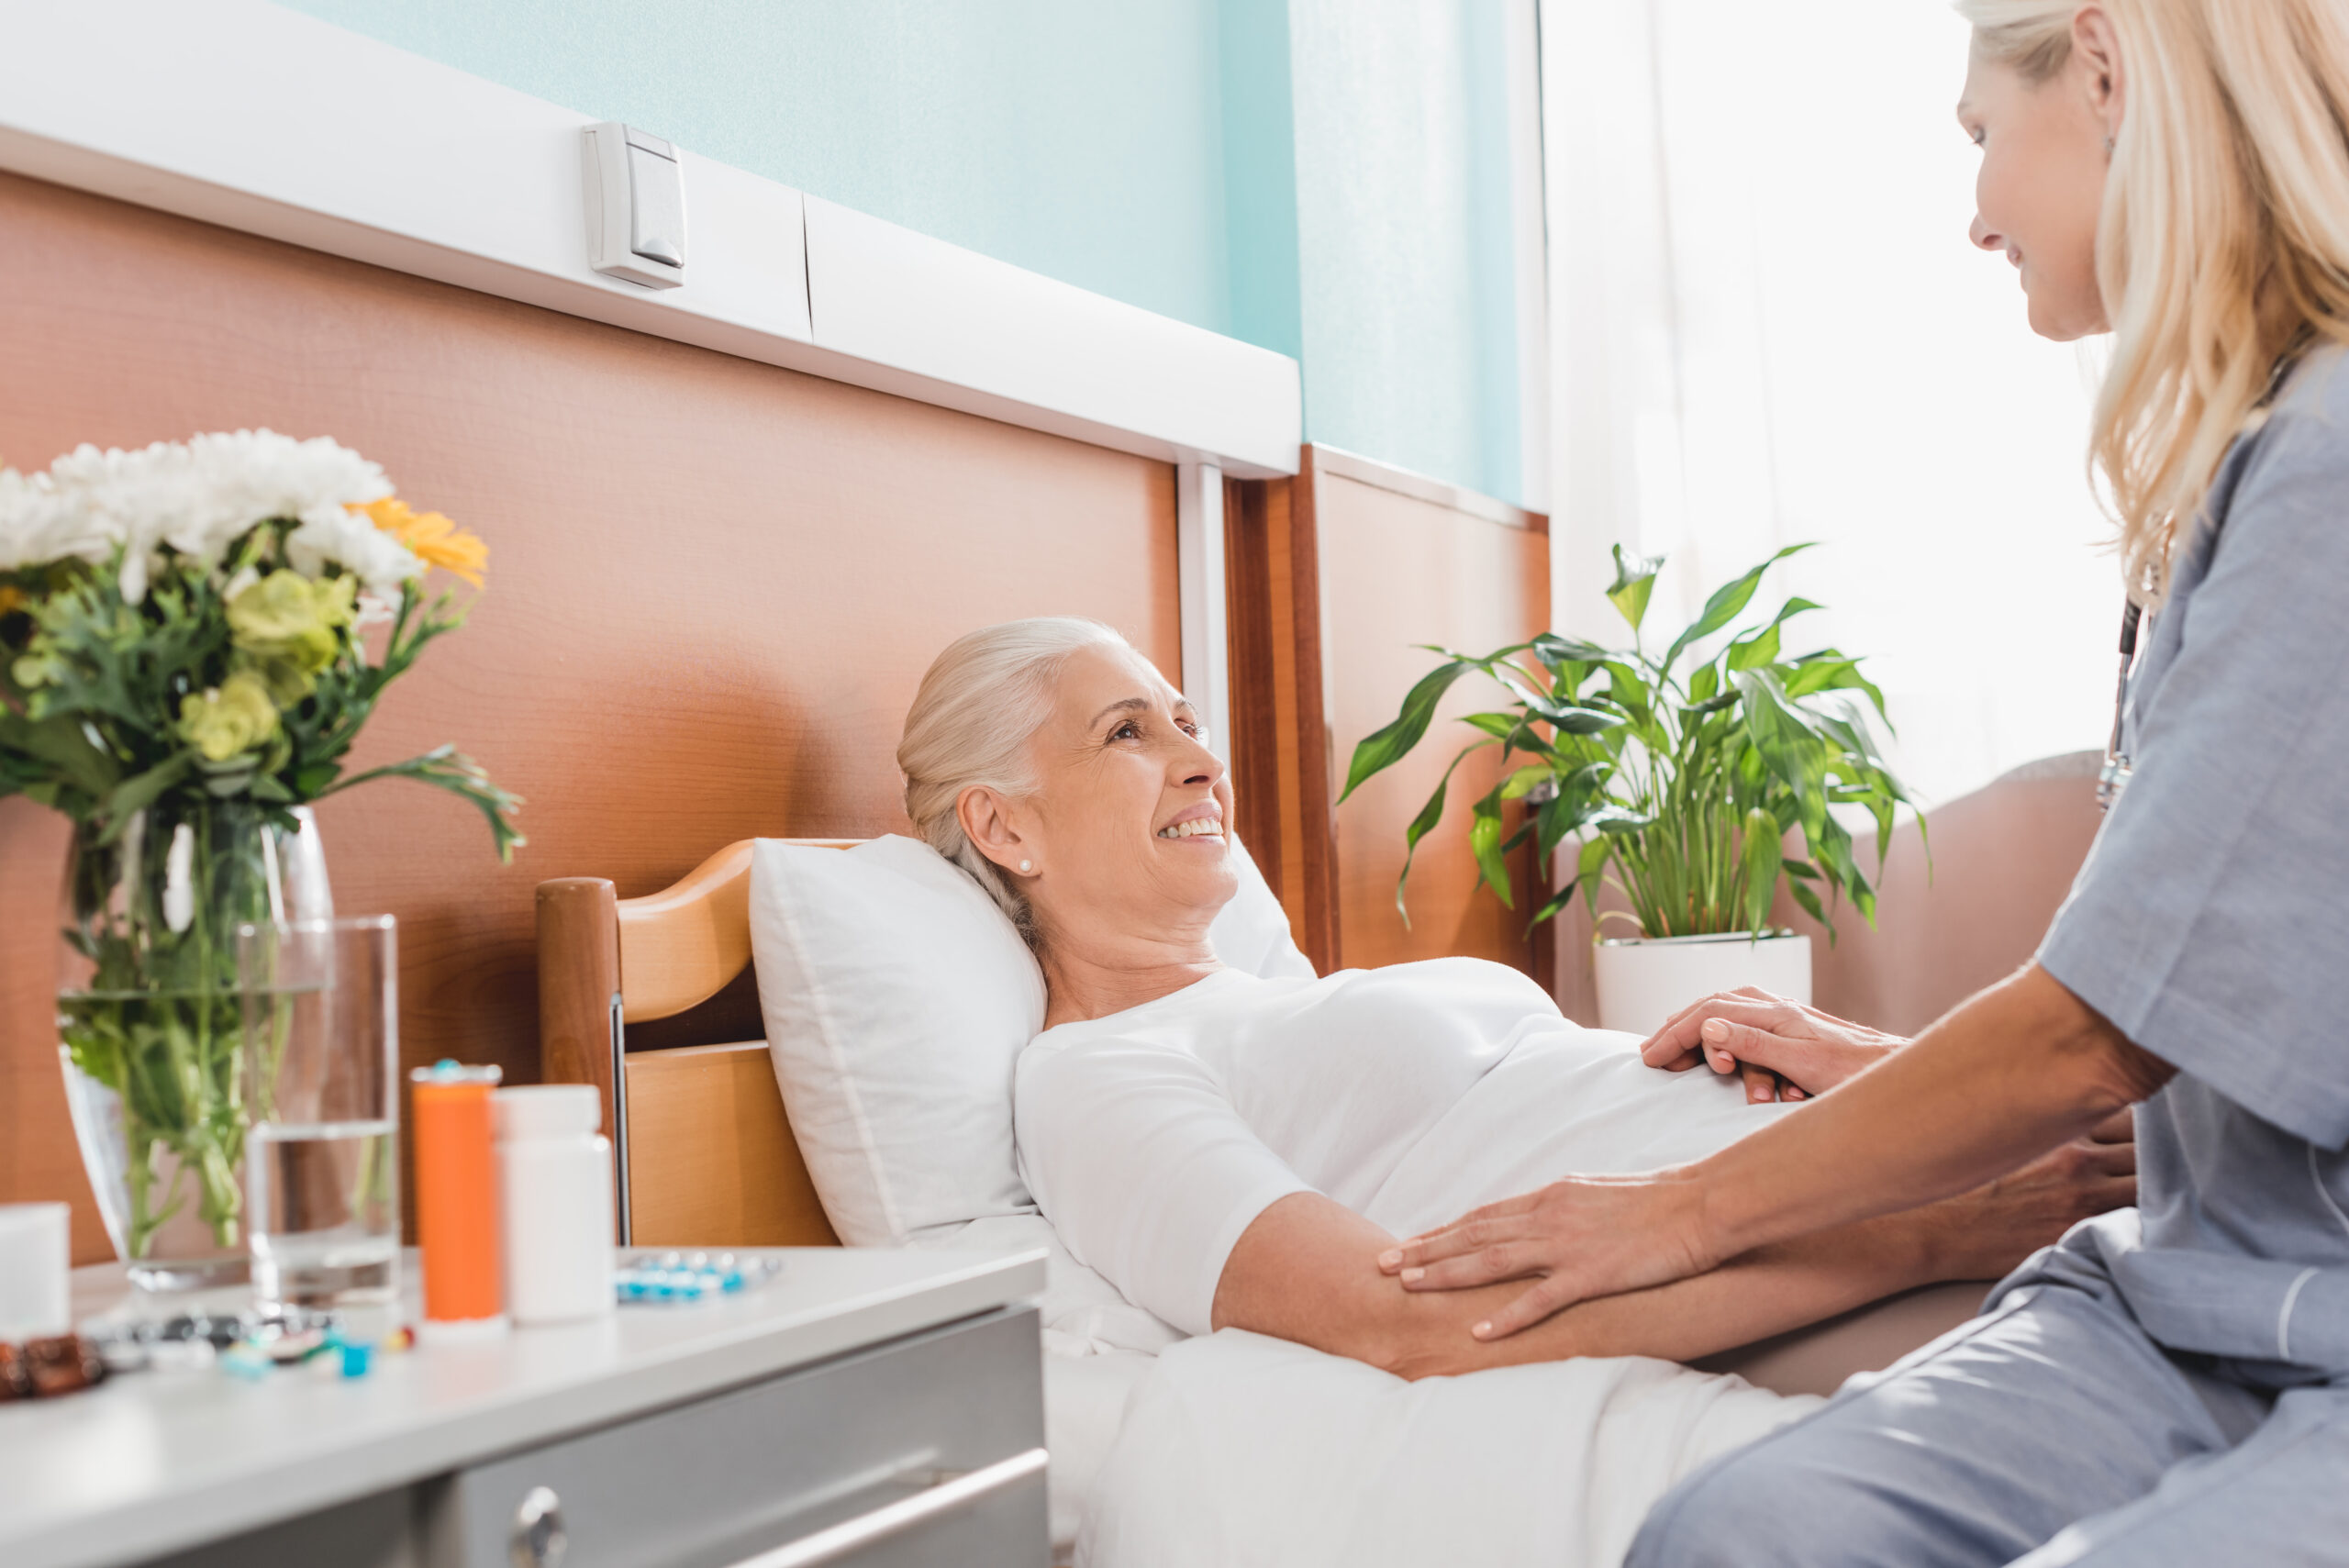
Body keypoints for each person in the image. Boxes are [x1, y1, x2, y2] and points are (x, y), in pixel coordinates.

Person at [1382, 3, 2349, 1560]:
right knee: (1734, 1535)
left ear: (2103, 71)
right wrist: (1906, 1069)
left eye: (1981, 136)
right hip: (2202, 1278)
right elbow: (2207, 988)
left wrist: (1669, 1213)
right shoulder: (2263, 451)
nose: (1977, 215)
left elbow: (2099, 1031)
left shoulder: (2328, 463)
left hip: (2302, 1308)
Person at [894, 616, 2131, 1381]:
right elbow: (1400, 1326)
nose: (1201, 756)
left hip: (1938, 1169)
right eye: (1127, 733)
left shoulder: (1283, 1005)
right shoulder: (1091, 1077)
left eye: (1186, 720)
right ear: (1002, 825)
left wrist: (1890, 1086)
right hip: (1886, 1253)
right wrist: (1930, 1223)